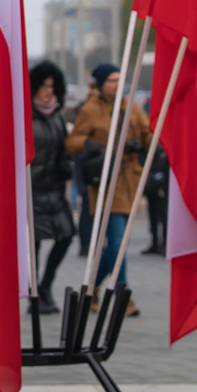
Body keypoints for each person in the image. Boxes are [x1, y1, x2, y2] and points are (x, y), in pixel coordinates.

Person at [64, 61, 151, 314]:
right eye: (111, 80)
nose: (116, 84)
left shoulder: (132, 106)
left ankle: (92, 289)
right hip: (105, 182)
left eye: (118, 79)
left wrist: (145, 142)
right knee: (117, 242)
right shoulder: (90, 109)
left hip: (129, 181)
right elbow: (72, 142)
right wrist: (88, 143)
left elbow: (148, 134)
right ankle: (123, 297)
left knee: (117, 242)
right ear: (101, 84)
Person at [28, 61, 75, 312]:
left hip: (54, 189)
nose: (48, 91)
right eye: (44, 86)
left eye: (52, 86)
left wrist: (67, 165)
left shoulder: (57, 115)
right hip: (31, 191)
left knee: (66, 236)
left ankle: (45, 285)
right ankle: (34, 295)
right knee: (32, 246)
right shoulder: (24, 115)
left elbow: (63, 148)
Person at [143, 143, 170, 256]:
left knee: (164, 215)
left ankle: (165, 243)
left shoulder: (166, 148)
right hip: (152, 184)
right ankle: (155, 242)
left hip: (164, 185)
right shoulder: (150, 144)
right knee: (153, 213)